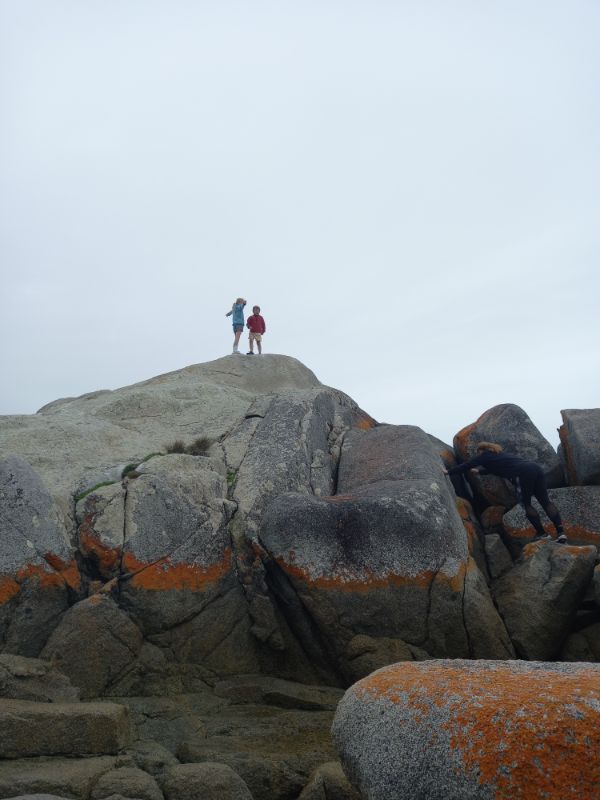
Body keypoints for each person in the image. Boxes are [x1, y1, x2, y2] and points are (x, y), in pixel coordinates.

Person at [443, 441, 567, 543]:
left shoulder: (484, 455)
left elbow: (466, 465)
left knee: (526, 504)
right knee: (545, 502)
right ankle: (561, 533)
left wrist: (449, 472)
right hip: (535, 469)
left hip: (522, 474)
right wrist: (480, 472)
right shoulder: (500, 455)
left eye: (478, 453)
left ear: (481, 450)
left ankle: (542, 533)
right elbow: (495, 469)